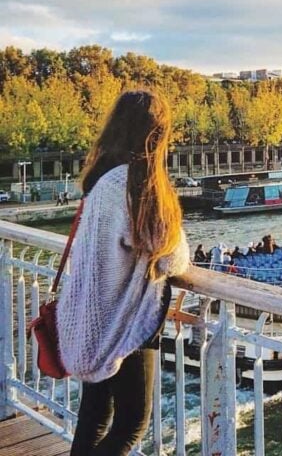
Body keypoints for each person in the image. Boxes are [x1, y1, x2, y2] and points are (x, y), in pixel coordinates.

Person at [56, 90, 189, 456]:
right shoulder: (137, 184)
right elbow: (172, 259)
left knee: (94, 415)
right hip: (125, 321)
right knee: (132, 425)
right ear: (156, 135)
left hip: (91, 315)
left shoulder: (98, 179)